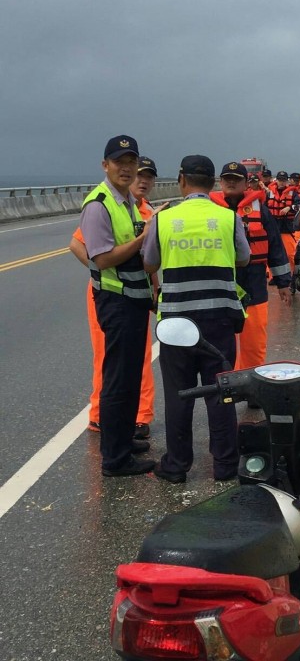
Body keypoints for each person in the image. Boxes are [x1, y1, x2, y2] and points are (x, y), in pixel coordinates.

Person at [143, 155, 251, 484]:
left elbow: (149, 263)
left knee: (179, 394)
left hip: (176, 323)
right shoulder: (228, 217)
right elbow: (244, 258)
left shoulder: (165, 219)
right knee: (220, 392)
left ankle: (176, 466)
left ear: (181, 181)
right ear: (212, 182)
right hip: (218, 318)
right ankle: (225, 466)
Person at [79, 135, 155, 477]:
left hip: (133, 300)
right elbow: (103, 257)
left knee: (128, 378)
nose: (126, 168)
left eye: (131, 162)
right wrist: (144, 240)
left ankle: (123, 439)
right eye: (119, 161)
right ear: (105, 164)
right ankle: (115, 458)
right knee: (118, 381)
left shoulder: (125, 200)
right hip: (117, 301)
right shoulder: (99, 204)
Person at [210, 161, 291, 374]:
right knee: (221, 343)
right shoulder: (210, 211)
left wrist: (283, 283)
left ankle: (254, 385)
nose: (231, 183)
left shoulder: (261, 212)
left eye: (236, 179)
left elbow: (275, 247)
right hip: (220, 285)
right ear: (220, 182)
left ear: (246, 183)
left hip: (254, 285)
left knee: (254, 342)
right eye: (227, 179)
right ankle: (228, 384)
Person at [267, 171, 300, 286]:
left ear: (287, 181)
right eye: (280, 180)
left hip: (287, 227)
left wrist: (289, 207)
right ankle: (274, 276)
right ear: (276, 180)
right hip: (273, 226)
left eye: (283, 180)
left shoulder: (293, 193)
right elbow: (264, 207)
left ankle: (292, 275)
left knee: (291, 253)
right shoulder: (269, 193)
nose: (281, 182)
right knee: (273, 253)